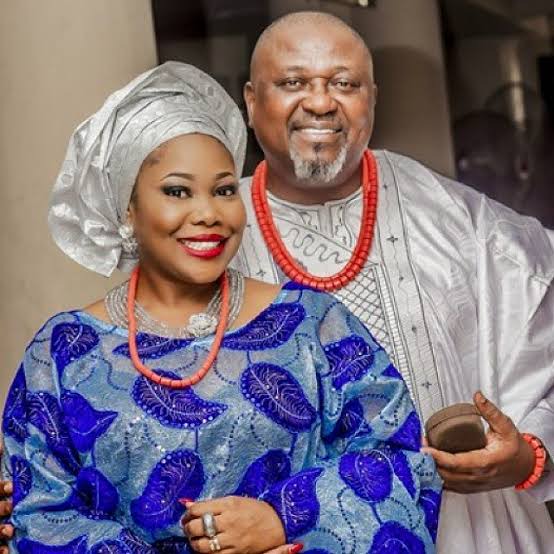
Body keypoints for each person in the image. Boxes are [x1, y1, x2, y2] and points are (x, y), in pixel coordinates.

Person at [1, 62, 440, 553]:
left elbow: (403, 460)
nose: (209, 213)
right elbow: (38, 515)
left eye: (225, 189)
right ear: (127, 209)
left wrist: (284, 518)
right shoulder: (64, 351)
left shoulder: (312, 323)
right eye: (177, 191)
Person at [227, 11, 553, 554]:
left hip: (471, 532)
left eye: (344, 83)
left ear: (372, 99)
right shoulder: (213, 234)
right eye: (293, 82)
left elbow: (545, 321)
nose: (320, 103)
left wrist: (528, 454)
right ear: (251, 99)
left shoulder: (454, 216)